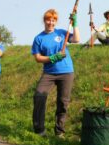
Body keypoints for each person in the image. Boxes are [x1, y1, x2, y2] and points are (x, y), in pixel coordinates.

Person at [31, 9, 80, 138]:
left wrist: (75, 24)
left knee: (63, 102)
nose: (50, 22)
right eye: (48, 19)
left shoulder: (62, 33)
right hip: (49, 73)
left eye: (53, 20)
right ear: (44, 20)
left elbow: (76, 39)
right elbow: (37, 57)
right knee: (39, 96)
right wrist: (52, 58)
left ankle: (59, 131)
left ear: (56, 21)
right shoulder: (39, 38)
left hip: (66, 72)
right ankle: (39, 130)